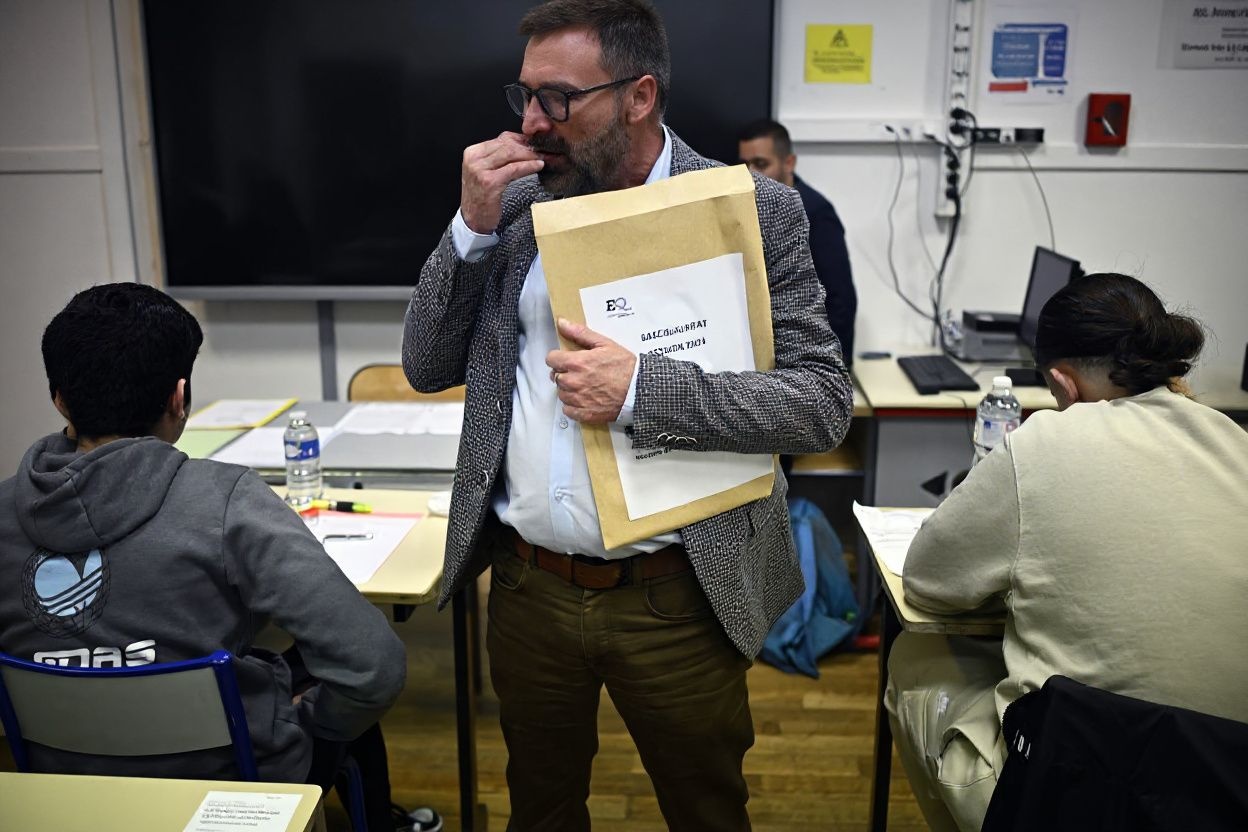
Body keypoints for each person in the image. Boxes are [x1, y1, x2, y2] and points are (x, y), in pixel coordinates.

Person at [401, 1, 853, 827]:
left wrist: (642, 391)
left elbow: (821, 405)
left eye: (559, 100)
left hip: (677, 596)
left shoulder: (751, 208)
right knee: (540, 806)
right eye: (525, 96)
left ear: (639, 96)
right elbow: (426, 364)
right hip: (529, 589)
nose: (534, 123)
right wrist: (469, 227)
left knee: (705, 808)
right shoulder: (519, 203)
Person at [0, 283, 421, 831]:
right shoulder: (226, 501)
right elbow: (373, 667)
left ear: (59, 397)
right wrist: (298, 722)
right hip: (229, 791)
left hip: (58, 793)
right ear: (179, 398)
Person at [885, 272, 1248, 832]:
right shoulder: (1234, 440)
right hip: (1227, 784)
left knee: (914, 659)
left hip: (1081, 788)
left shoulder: (1044, 443)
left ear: (1062, 381)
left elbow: (930, 581)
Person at [738, 118, 857, 362]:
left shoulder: (816, 211)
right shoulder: (744, 210)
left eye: (761, 163)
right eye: (744, 164)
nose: (751, 174)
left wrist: (837, 369)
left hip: (808, 360)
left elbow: (840, 298)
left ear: (789, 163)